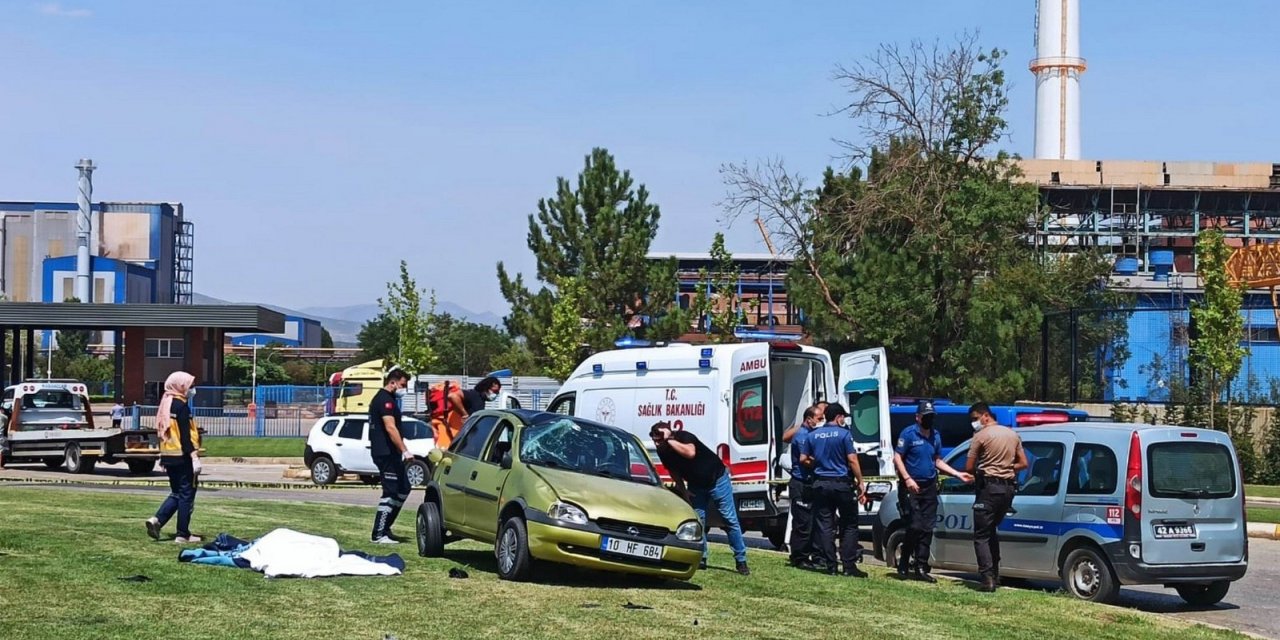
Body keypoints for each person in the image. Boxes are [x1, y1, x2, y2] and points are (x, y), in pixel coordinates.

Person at [650, 421, 750, 575]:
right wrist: (684, 491)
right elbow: (673, 472)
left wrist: (669, 440)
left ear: (669, 433)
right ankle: (701, 557)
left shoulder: (684, 436)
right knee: (699, 521)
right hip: (696, 485)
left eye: (659, 437)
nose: (657, 442)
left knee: (729, 519)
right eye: (654, 438)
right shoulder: (663, 452)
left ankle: (741, 560)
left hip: (718, 479)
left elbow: (690, 453)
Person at [893, 400, 972, 582]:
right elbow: (897, 457)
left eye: (931, 417)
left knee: (927, 529)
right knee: (915, 526)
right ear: (918, 417)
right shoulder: (909, 434)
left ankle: (921, 566)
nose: (929, 420)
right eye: (926, 417)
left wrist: (958, 474)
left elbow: (937, 460)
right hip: (911, 486)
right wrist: (907, 479)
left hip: (929, 486)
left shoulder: (935, 435)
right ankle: (905, 560)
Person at [965, 401, 1028, 592]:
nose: (974, 423)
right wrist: (1007, 468)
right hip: (1008, 490)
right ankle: (995, 574)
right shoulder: (1012, 434)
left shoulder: (980, 436)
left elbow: (968, 467)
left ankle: (987, 579)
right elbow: (1023, 463)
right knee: (992, 531)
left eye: (975, 419)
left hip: (989, 489)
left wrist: (983, 470)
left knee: (981, 535)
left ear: (985, 416)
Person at [799, 403, 867, 578]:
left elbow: (803, 459)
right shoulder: (844, 434)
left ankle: (830, 565)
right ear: (838, 417)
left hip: (820, 484)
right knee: (849, 524)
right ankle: (849, 565)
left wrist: (818, 463)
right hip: (841, 484)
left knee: (825, 526)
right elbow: (852, 460)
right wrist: (860, 481)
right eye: (843, 417)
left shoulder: (813, 435)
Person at [145, 371, 203, 543]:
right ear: (181, 386)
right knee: (186, 494)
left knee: (176, 493)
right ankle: (182, 534)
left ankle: (157, 520)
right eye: (190, 386)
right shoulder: (181, 406)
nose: (192, 389)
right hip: (183, 455)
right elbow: (185, 435)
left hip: (168, 456)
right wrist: (194, 457)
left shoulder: (166, 404)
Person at [370, 368, 414, 544]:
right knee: (390, 492)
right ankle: (378, 534)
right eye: (403, 384)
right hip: (385, 452)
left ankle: (386, 528)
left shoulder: (391, 400)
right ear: (393, 382)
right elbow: (390, 427)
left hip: (392, 453)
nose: (404, 388)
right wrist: (405, 450)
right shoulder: (384, 401)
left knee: (404, 488)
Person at [783, 404, 825, 569]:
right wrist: (822, 463)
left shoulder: (811, 434)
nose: (822, 421)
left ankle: (811, 555)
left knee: (811, 521)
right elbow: (804, 459)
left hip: (808, 483)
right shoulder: (802, 436)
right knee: (802, 523)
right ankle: (799, 557)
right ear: (809, 420)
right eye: (819, 418)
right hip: (800, 484)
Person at [433, 376, 502, 449]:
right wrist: (464, 415)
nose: (496, 394)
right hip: (460, 438)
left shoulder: (481, 400)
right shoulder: (473, 395)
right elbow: (452, 396)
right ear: (486, 387)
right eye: (495, 391)